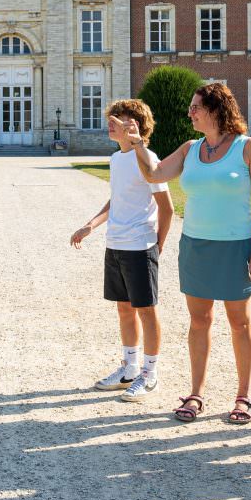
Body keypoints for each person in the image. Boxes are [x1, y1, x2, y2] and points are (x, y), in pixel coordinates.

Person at [125, 83, 251, 424]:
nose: (190, 112)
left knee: (240, 322)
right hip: (196, 244)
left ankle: (244, 396)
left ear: (217, 110)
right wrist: (137, 145)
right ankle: (195, 394)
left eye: (196, 107)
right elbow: (155, 173)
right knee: (199, 320)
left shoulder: (248, 148)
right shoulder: (191, 148)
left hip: (237, 245)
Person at [70, 99, 174, 401]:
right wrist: (92, 224)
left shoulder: (147, 158)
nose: (111, 122)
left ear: (136, 125)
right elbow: (116, 199)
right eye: (111, 118)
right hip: (115, 244)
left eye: (119, 118)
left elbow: (166, 208)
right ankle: (129, 368)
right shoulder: (116, 158)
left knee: (146, 311)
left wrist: (158, 246)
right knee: (124, 309)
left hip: (140, 246)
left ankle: (149, 372)